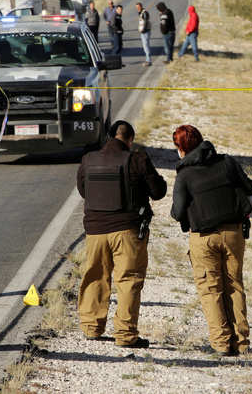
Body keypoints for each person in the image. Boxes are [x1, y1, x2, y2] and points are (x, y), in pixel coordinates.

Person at [77, 120, 167, 348]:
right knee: (128, 280)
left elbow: (83, 190)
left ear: (109, 137)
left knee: (95, 276)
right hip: (127, 230)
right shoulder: (137, 159)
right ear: (130, 140)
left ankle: (91, 328)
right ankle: (126, 335)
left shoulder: (89, 159)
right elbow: (158, 192)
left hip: (95, 231)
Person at [170, 125, 252, 356]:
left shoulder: (185, 174)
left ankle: (220, 343)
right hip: (233, 233)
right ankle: (242, 342)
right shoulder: (227, 162)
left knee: (211, 289)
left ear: (181, 148)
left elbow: (177, 212)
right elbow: (250, 187)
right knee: (234, 286)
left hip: (203, 238)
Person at [135, 2, 152, 66]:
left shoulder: (144, 13)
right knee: (145, 46)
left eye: (138, 7)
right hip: (143, 32)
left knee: (146, 46)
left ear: (141, 6)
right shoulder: (140, 13)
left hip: (145, 31)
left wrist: (143, 29)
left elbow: (145, 21)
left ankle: (148, 60)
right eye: (136, 7)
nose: (137, 8)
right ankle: (148, 60)